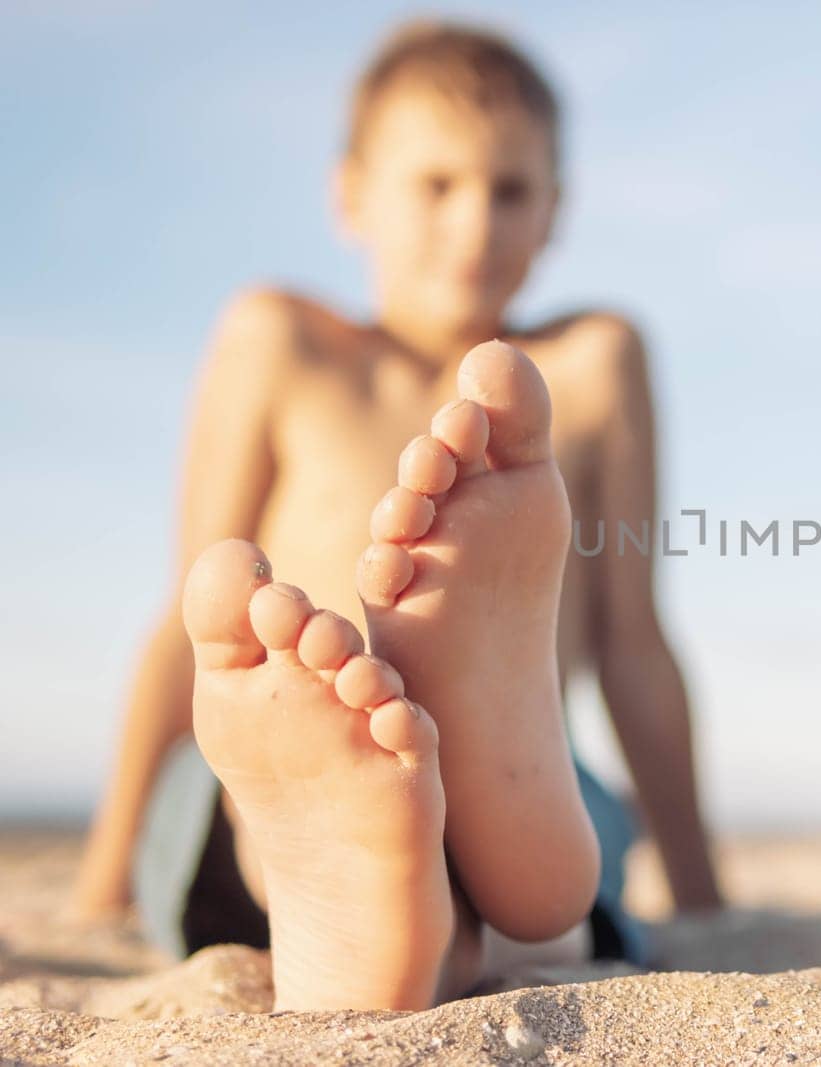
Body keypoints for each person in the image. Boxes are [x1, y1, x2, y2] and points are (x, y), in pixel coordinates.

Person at [67, 20, 723, 1007]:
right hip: (284, 755)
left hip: (521, 775)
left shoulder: (592, 364)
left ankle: (423, 879)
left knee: (516, 816)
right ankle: (396, 886)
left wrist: (705, 886)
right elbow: (186, 621)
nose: (474, 224)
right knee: (286, 765)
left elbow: (632, 640)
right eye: (436, 185)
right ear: (350, 194)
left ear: (554, 213)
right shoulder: (281, 342)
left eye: (511, 191)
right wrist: (101, 870)